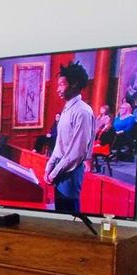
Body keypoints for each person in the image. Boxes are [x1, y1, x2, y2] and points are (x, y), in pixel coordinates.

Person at [43, 62, 95, 212]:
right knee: (61, 214)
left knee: (69, 217)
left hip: (70, 172)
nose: (58, 89)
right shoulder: (68, 108)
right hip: (60, 169)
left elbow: (76, 153)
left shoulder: (82, 111)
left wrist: (53, 173)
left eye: (61, 85)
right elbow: (60, 144)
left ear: (74, 84)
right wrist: (49, 167)